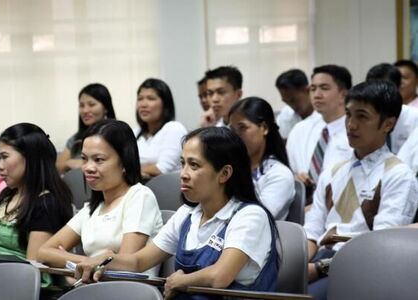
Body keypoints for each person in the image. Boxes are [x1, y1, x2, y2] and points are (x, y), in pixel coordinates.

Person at [74, 127, 280, 299]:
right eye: (183, 164)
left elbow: (220, 276)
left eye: (194, 165)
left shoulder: (250, 216)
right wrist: (106, 259)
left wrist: (181, 281)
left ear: (224, 173)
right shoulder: (187, 214)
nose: (183, 174)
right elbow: (139, 262)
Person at [304, 81, 418, 300]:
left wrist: (319, 268)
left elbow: (379, 247)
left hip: (360, 267)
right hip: (319, 259)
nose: (351, 125)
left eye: (362, 116)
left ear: (388, 124)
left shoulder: (398, 175)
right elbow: (312, 231)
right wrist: (297, 265)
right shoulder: (332, 171)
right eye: (348, 114)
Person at [38, 120, 163, 276]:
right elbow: (44, 252)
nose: (88, 168)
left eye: (99, 160)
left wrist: (69, 259)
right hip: (92, 287)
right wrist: (90, 261)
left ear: (124, 162)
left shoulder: (140, 197)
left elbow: (125, 263)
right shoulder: (93, 207)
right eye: (84, 159)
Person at [0, 123, 73, 287]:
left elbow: (32, 267)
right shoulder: (7, 196)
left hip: (19, 284)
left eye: (5, 157)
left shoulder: (46, 203)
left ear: (29, 157)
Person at [286, 64, 353, 203]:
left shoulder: (355, 131)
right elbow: (287, 170)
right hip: (302, 206)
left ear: (343, 94)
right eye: (313, 88)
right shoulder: (300, 129)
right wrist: (295, 178)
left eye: (324, 88)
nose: (316, 94)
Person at [229, 97, 295, 220]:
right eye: (232, 130)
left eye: (242, 128)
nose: (235, 136)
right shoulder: (230, 168)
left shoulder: (279, 175)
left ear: (264, 128)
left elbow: (256, 218)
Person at [134, 78, 187, 180]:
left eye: (151, 98)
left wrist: (131, 171)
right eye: (140, 99)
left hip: (167, 191)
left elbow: (161, 170)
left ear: (165, 104)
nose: (143, 104)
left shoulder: (174, 128)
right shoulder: (134, 132)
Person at [56, 83, 116, 174]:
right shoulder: (75, 139)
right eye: (81, 105)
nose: (85, 110)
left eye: (91, 105)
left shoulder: (117, 135)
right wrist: (69, 163)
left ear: (106, 108)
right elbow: (58, 166)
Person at [366, 62, 418, 154]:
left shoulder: (414, 117)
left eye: (384, 89)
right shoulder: (365, 118)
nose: (377, 95)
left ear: (398, 88)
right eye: (372, 90)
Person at [275, 69, 314, 140]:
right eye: (286, 102)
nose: (291, 106)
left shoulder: (326, 114)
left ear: (308, 90)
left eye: (293, 100)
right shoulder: (285, 116)